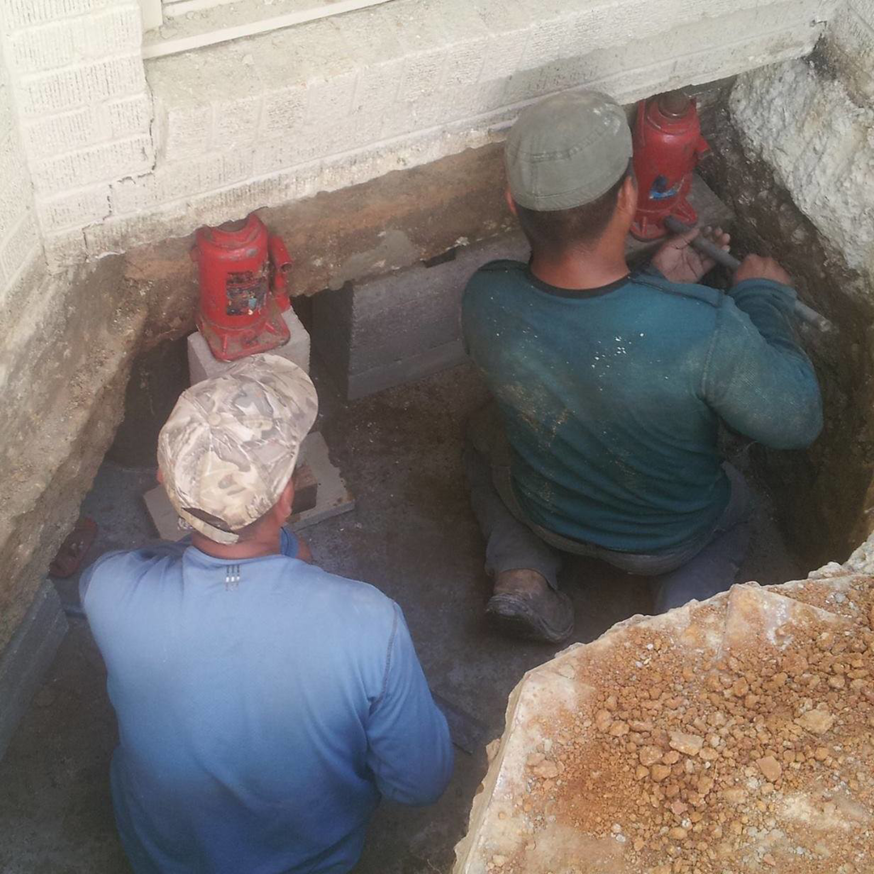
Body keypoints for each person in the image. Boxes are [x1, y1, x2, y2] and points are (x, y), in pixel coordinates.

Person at [462, 90, 823, 643]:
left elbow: (586, 339)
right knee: (740, 503)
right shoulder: (706, 328)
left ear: (512, 203)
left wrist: (653, 285)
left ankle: (522, 573)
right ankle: (680, 622)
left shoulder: (486, 295)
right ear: (630, 196)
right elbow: (798, 422)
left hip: (546, 514)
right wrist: (764, 304)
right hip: (666, 542)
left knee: (482, 431)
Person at [80, 354, 453, 874]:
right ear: (285, 499)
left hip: (161, 857)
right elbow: (420, 785)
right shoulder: (369, 623)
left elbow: (155, 566)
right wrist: (286, 554)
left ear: (168, 483)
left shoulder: (107, 588)